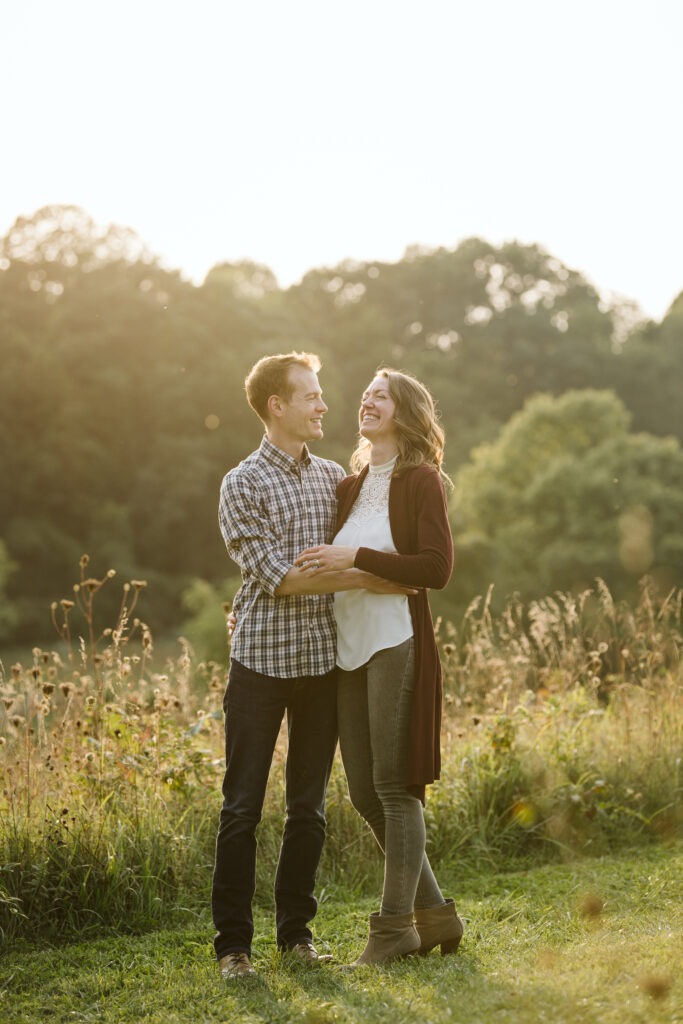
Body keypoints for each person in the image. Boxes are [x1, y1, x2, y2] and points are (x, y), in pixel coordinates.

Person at [213, 351, 416, 980]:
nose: (324, 405)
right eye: (312, 396)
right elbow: (279, 579)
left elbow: (362, 545)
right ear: (278, 405)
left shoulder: (335, 478)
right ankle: (233, 948)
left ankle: (296, 936)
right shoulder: (242, 482)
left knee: (309, 808)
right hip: (260, 664)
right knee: (242, 806)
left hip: (322, 665)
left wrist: (359, 571)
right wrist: (371, 577)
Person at [293, 368, 463, 965]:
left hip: (395, 641)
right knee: (365, 790)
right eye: (365, 393)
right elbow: (324, 568)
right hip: (347, 645)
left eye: (381, 395)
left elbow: (434, 570)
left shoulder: (422, 480)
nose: (367, 400)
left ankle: (394, 930)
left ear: (406, 411)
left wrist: (356, 555)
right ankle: (437, 916)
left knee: (395, 789)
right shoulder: (349, 484)